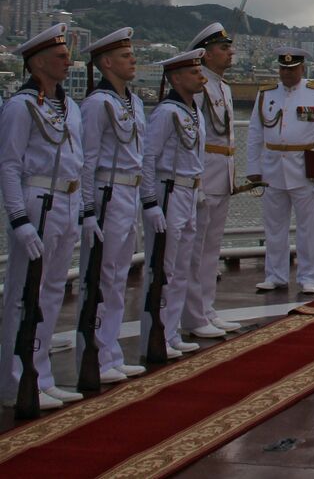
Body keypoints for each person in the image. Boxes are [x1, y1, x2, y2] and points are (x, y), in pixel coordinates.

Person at [0, 24, 84, 411]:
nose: (68, 62)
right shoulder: (21, 107)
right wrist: (18, 219)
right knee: (22, 295)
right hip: (37, 200)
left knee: (51, 292)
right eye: (60, 56)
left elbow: (77, 163)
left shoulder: (68, 107)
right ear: (37, 63)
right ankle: (14, 381)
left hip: (66, 201)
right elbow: (9, 165)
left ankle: (41, 375)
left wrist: (83, 211)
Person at [77, 27, 149, 384]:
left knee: (119, 277)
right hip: (106, 194)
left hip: (128, 195)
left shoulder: (132, 102)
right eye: (125, 56)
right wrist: (87, 210)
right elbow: (87, 160)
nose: (133, 60)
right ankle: (94, 356)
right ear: (106, 62)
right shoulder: (96, 104)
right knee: (101, 277)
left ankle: (111, 352)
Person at [246, 47, 314, 295]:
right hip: (272, 166)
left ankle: (309, 276)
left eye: (292, 69)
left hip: (303, 166)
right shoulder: (266, 94)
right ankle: (275, 275)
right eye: (283, 69)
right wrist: (253, 167)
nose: (287, 73)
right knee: (274, 226)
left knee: (308, 227)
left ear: (302, 68)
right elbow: (255, 132)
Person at [139, 49, 207, 359]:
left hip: (189, 193)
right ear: (176, 78)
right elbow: (149, 157)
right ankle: (154, 335)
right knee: (163, 267)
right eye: (193, 72)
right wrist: (150, 201)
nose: (200, 76)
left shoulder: (192, 110)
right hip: (169, 191)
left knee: (181, 267)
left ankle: (170, 331)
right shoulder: (166, 112)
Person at [182, 23, 243, 338]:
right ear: (205, 54)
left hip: (222, 174)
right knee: (196, 249)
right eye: (223, 48)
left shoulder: (223, 87)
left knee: (211, 248)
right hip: (205, 175)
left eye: (229, 47)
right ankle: (193, 315)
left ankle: (206, 308)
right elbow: (193, 139)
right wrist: (197, 182)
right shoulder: (200, 87)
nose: (230, 52)